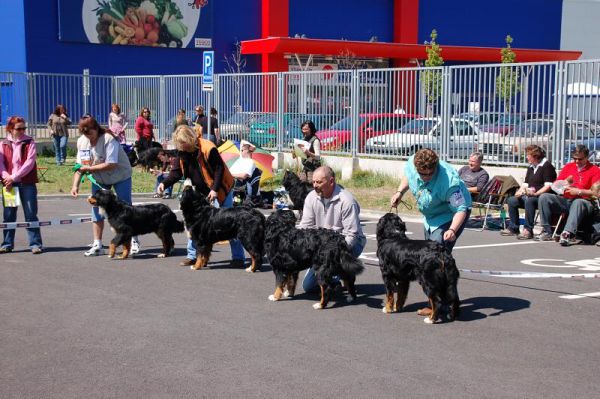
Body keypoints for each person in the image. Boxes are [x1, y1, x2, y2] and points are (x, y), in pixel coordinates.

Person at [157, 125, 245, 267]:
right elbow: (176, 172)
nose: (182, 147)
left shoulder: (208, 147)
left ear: (190, 139)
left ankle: (238, 257)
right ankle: (193, 256)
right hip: (200, 192)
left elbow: (219, 169)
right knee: (195, 225)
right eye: (180, 145)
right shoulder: (182, 152)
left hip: (221, 189)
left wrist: (215, 189)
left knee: (231, 224)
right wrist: (164, 184)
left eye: (183, 144)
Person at [70, 116, 140, 257]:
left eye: (90, 133)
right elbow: (79, 166)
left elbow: (111, 164)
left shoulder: (108, 139)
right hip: (99, 178)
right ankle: (97, 244)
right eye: (84, 134)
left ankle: (133, 240)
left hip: (120, 175)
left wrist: (89, 169)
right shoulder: (82, 142)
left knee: (126, 208)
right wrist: (75, 185)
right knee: (96, 209)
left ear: (96, 129)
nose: (88, 137)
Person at [298, 166, 366, 292]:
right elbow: (305, 227)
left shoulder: (347, 201)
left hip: (350, 244)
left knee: (329, 268)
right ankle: (335, 280)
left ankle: (346, 274)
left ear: (331, 181)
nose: (315, 185)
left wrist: (330, 253)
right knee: (308, 287)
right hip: (322, 245)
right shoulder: (311, 197)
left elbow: (352, 235)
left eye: (319, 182)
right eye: (313, 182)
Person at [390, 148, 472, 252]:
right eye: (423, 174)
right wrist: (400, 192)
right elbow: (409, 176)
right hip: (430, 216)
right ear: (416, 168)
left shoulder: (449, 183)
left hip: (449, 215)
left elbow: (460, 209)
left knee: (435, 252)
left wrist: (452, 230)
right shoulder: (411, 162)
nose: (427, 177)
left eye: (431, 173)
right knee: (427, 250)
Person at [535, 144, 600, 245]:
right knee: (544, 197)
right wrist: (565, 184)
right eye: (574, 158)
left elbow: (596, 193)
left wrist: (578, 191)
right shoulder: (569, 167)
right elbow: (555, 185)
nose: (577, 161)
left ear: (587, 157)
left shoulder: (595, 170)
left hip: (585, 202)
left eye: (580, 159)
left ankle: (567, 233)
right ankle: (546, 230)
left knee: (578, 202)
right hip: (566, 199)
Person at [0, 116, 43, 254]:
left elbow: (29, 163)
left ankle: (35, 244)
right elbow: (0, 164)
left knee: (31, 214)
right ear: (10, 129)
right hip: (9, 185)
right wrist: (7, 178)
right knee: (9, 215)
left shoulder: (29, 141)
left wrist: (13, 177)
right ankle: (7, 244)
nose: (22, 131)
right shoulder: (3, 143)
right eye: (19, 128)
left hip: (27, 183)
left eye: (24, 128)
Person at [500, 145, 557, 240]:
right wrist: (519, 192)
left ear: (535, 156)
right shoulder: (531, 167)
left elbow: (548, 186)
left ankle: (528, 229)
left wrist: (536, 194)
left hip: (542, 197)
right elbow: (526, 184)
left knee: (530, 201)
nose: (526, 157)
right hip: (529, 194)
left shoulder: (547, 166)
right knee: (512, 200)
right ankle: (514, 227)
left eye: (528, 155)